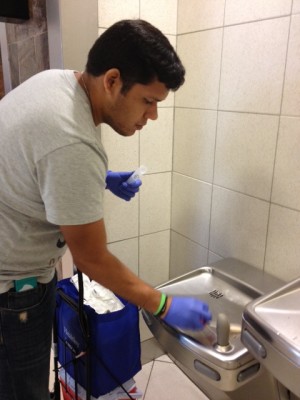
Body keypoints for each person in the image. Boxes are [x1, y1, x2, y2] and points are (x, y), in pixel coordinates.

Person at [0, 19, 212, 400]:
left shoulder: (57, 82)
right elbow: (93, 259)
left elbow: (36, 160)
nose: (153, 116)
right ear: (112, 80)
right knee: (22, 390)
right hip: (12, 288)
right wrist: (161, 304)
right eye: (149, 101)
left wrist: (99, 178)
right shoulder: (72, 141)